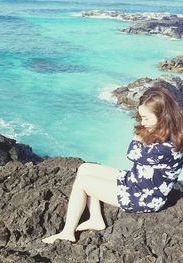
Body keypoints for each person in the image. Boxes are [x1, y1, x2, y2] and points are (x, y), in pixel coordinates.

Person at [42, 87, 183, 243]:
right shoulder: (171, 131)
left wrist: (137, 137)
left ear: (163, 116)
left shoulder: (167, 148)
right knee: (84, 168)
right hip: (137, 181)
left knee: (82, 183)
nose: (142, 123)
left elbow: (132, 154)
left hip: (145, 196)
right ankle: (96, 218)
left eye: (146, 118)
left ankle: (67, 232)